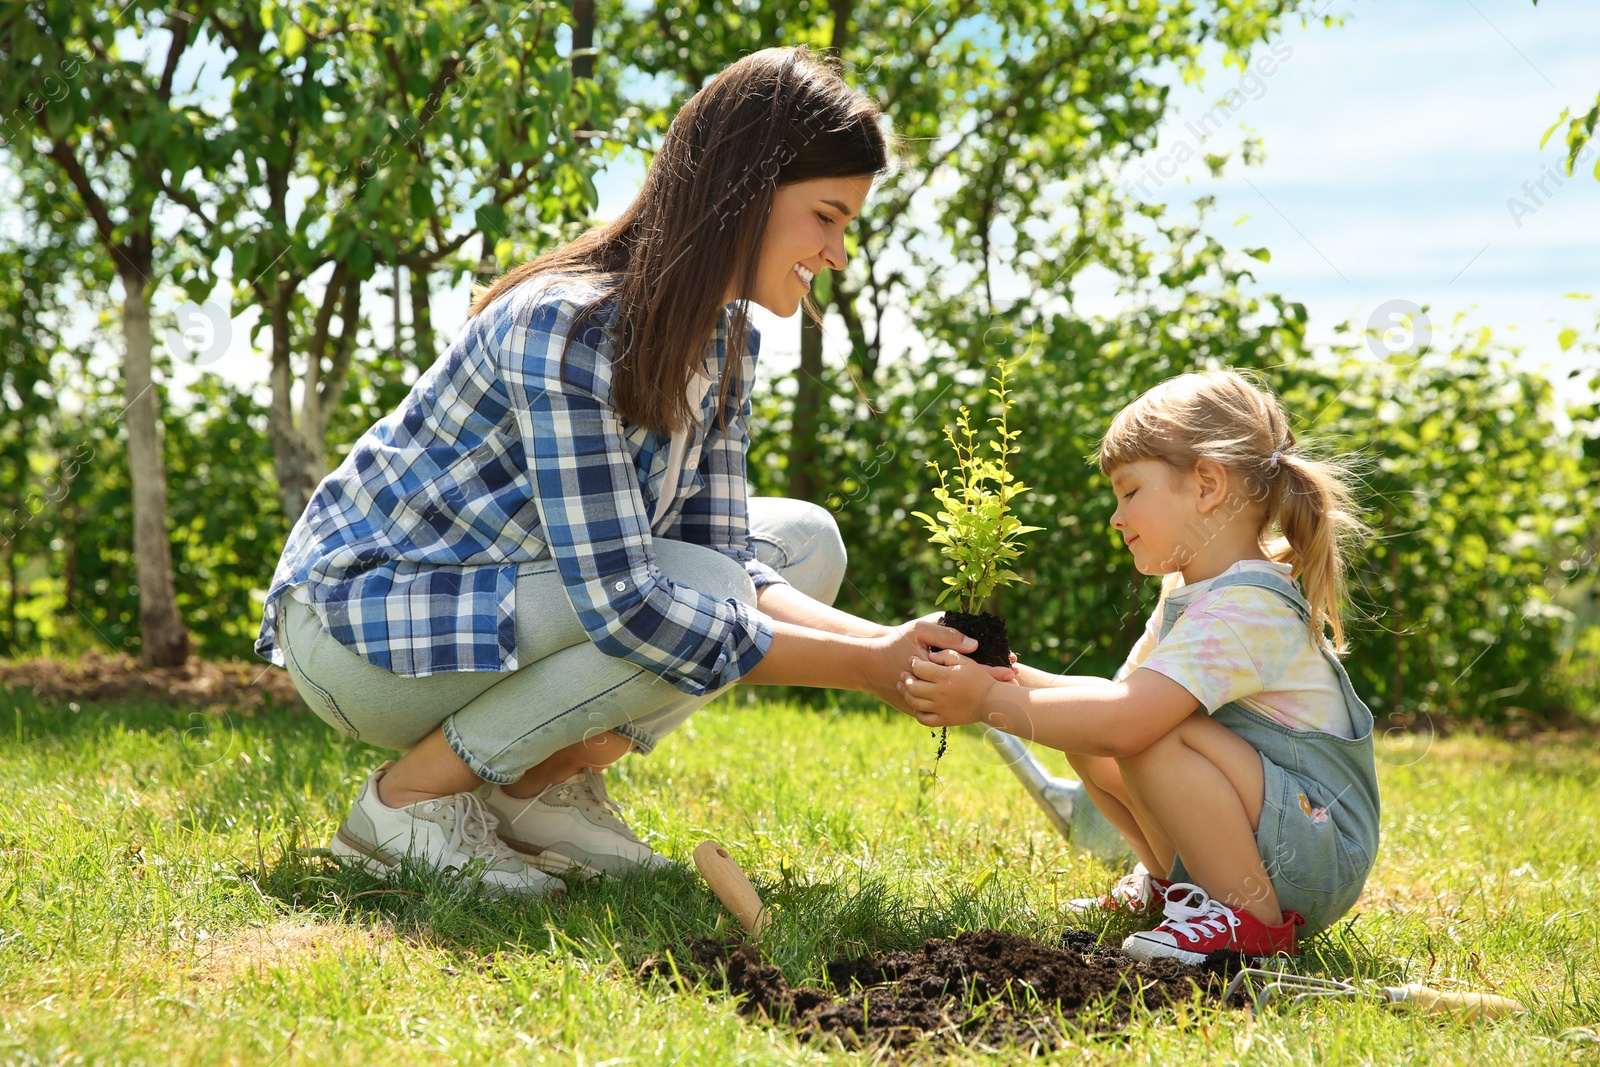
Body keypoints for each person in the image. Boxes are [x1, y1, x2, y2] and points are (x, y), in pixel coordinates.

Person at [256, 46, 991, 898]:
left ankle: (536, 786)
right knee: (689, 592)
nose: (837, 253)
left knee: (805, 544)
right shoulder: (565, 326)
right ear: (746, 190)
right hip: (366, 630)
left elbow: (727, 560)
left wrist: (895, 644)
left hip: (503, 607)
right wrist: (868, 670)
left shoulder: (727, 343)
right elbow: (627, 602)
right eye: (826, 216)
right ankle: (406, 802)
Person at [897, 369, 1380, 963]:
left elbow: (1129, 719)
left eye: (1130, 492)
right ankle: (1174, 888)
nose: (1117, 517)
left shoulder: (1246, 608)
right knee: (1094, 734)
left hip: (1315, 849)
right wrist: (998, 673)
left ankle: (1247, 919)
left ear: (1206, 485)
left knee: (1144, 732)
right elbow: (1112, 699)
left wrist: (984, 702)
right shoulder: (1191, 593)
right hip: (1276, 832)